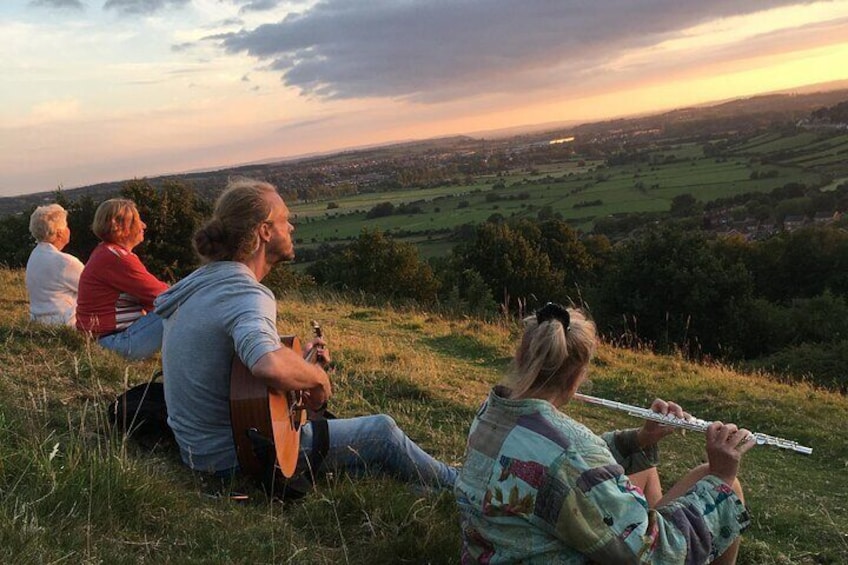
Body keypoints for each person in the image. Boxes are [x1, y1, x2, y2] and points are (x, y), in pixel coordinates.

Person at [153, 178, 456, 493]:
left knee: (376, 466)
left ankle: (424, 491)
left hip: (199, 453)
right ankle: (460, 486)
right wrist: (316, 378)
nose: (292, 227)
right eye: (284, 219)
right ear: (264, 231)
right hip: (237, 457)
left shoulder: (202, 284)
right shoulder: (245, 293)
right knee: (383, 432)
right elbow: (266, 365)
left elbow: (236, 370)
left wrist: (297, 360)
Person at [454, 303, 754, 564]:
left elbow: (561, 470)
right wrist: (722, 479)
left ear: (520, 356)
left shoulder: (493, 411)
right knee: (720, 484)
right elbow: (659, 553)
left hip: (495, 550)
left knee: (646, 471)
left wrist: (639, 440)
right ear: (577, 376)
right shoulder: (573, 452)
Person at [76, 199, 168, 360]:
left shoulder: (106, 252)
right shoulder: (116, 258)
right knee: (181, 306)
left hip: (104, 340)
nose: (143, 225)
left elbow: (149, 295)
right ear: (122, 228)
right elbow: (162, 295)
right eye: (138, 221)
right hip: (114, 343)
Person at [25, 204, 85, 326]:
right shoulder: (65, 262)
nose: (69, 229)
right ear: (59, 233)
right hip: (66, 322)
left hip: (38, 322)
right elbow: (94, 288)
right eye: (66, 226)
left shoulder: (34, 255)